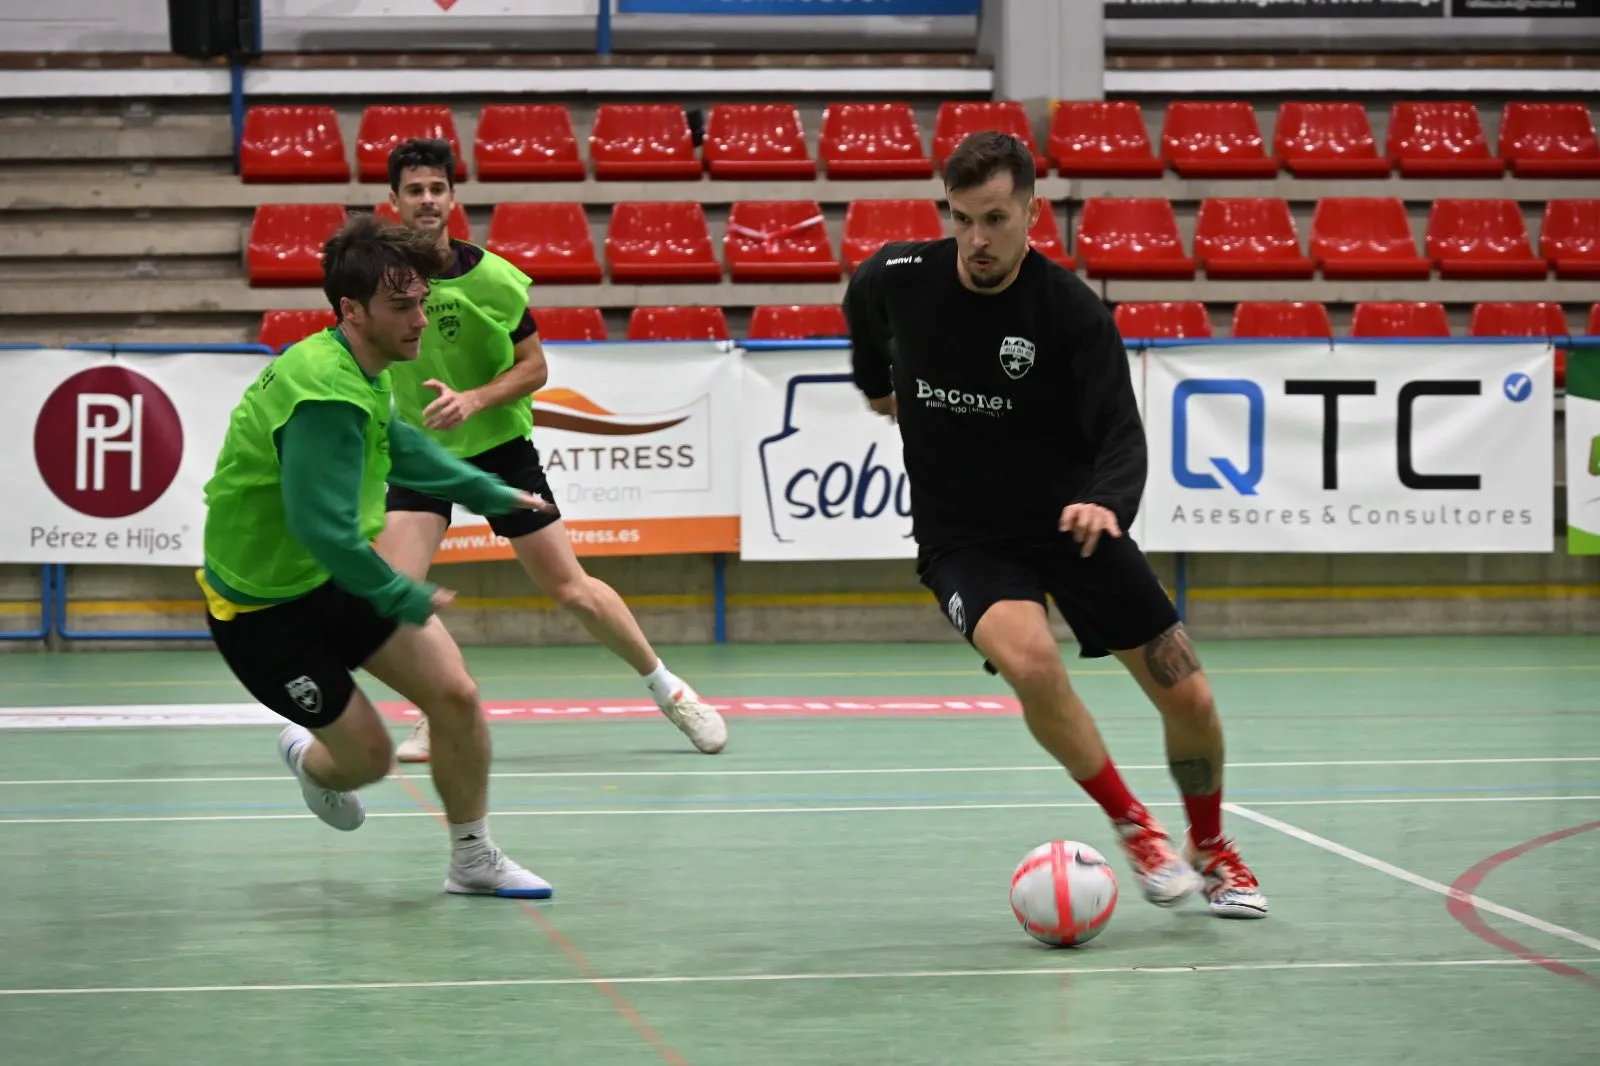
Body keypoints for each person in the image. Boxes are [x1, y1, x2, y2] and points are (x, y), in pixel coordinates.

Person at [842, 131, 1267, 919]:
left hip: (1074, 524)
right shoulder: (902, 274)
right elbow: (861, 301)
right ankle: (1135, 826)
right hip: (964, 537)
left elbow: (1121, 430)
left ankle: (1210, 846)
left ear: (1032, 210)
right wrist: (874, 381)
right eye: (961, 217)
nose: (975, 238)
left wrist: (1108, 500)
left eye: (995, 219)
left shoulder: (1070, 311)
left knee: (1192, 698)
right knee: (1033, 663)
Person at [199, 214, 555, 899]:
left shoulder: (364, 365)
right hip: (263, 607)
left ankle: (472, 857)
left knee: (455, 695)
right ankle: (308, 756)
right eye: (402, 306)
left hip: (333, 574)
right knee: (367, 760)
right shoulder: (322, 393)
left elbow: (406, 445)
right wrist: (404, 596)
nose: (420, 319)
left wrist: (486, 489)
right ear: (351, 311)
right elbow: (319, 527)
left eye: (421, 300)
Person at [374, 138, 726, 762]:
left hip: (501, 449)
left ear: (452, 197)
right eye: (414, 190)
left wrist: (476, 399)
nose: (426, 200)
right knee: (397, 591)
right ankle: (439, 707)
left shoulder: (494, 278)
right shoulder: (382, 281)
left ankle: (671, 691)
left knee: (571, 589)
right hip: (422, 456)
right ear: (393, 201)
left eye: (436, 188)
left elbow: (535, 367)